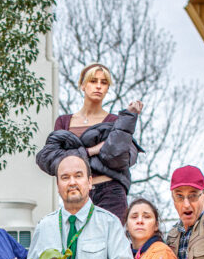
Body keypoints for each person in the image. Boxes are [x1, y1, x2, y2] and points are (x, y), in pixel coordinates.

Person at [36, 63, 144, 222]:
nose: (99, 86)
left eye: (104, 82)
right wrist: (92, 151)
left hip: (111, 193)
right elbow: (54, 161)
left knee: (108, 243)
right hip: (75, 193)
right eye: (93, 81)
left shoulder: (115, 122)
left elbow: (117, 158)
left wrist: (128, 119)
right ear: (82, 85)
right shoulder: (64, 122)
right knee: (76, 243)